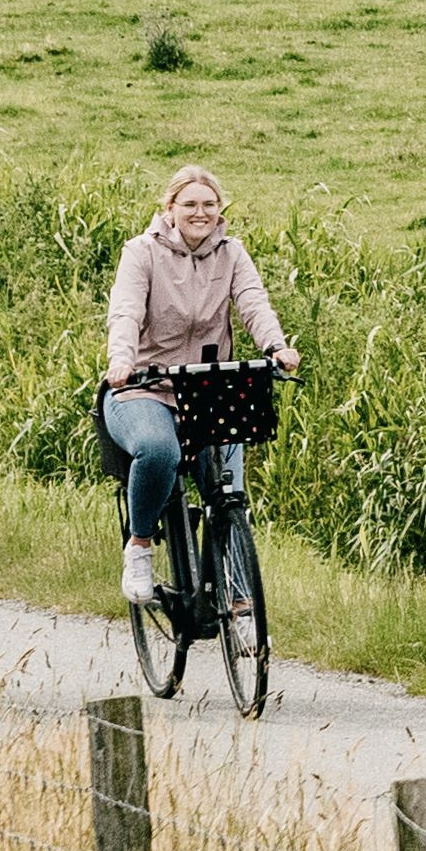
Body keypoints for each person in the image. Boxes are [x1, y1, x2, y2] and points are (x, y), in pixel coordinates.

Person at [95, 161, 293, 617]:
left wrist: (276, 346)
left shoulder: (232, 253)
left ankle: (240, 604)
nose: (200, 213)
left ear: (220, 208)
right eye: (189, 204)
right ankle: (140, 545)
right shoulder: (141, 252)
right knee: (158, 451)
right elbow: (125, 311)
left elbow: (253, 303)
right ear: (170, 208)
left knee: (228, 494)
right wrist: (121, 359)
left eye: (209, 204)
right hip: (145, 386)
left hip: (207, 390)